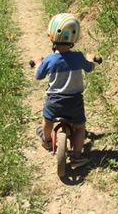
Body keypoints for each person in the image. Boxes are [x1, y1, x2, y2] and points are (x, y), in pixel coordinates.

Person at [34, 13, 98, 164]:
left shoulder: (49, 60)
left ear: (51, 35)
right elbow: (89, 68)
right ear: (74, 38)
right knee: (80, 127)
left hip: (54, 101)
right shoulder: (78, 57)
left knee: (47, 121)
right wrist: (91, 59)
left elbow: (38, 76)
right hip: (74, 102)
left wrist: (37, 62)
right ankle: (76, 155)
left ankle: (47, 140)